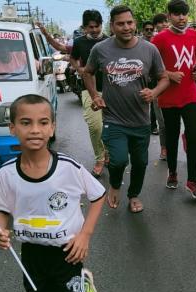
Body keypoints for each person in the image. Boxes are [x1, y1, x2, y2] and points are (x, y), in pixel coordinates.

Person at [0, 94, 106, 292]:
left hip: (66, 252)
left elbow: (98, 195)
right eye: (26, 123)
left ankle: (80, 284)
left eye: (43, 123)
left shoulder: (68, 167)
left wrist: (84, 236)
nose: (35, 130)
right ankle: (83, 284)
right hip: (31, 255)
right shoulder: (6, 173)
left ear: (52, 128)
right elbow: (2, 209)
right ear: (12, 128)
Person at [83, 5, 169, 212]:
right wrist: (95, 95)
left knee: (140, 163)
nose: (126, 27)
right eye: (120, 24)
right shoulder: (101, 49)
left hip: (140, 120)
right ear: (112, 26)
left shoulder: (149, 50)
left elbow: (164, 78)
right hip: (114, 119)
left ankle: (134, 195)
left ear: (135, 23)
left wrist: (154, 92)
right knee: (119, 160)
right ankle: (114, 185)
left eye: (129, 22)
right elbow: (88, 72)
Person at [152, 0, 196, 199]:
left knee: (193, 136)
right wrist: (169, 74)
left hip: (190, 93)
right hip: (168, 96)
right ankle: (172, 172)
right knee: (172, 137)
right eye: (177, 14)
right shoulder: (160, 39)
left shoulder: (194, 35)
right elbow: (151, 67)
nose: (182, 18)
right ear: (169, 16)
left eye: (184, 14)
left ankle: (193, 180)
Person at [70, 10, 109, 177]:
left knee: (109, 125)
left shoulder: (110, 41)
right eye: (90, 27)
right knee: (95, 126)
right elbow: (73, 58)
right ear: (84, 27)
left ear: (101, 25)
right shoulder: (79, 42)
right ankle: (100, 158)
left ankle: (108, 152)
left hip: (110, 89)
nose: (94, 30)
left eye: (97, 26)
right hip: (89, 89)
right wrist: (79, 68)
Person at [142, 19, 168, 160]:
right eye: (147, 29)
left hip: (172, 87)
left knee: (170, 122)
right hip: (154, 87)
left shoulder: (168, 40)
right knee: (161, 121)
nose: (149, 31)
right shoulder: (147, 45)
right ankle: (164, 148)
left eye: (151, 29)